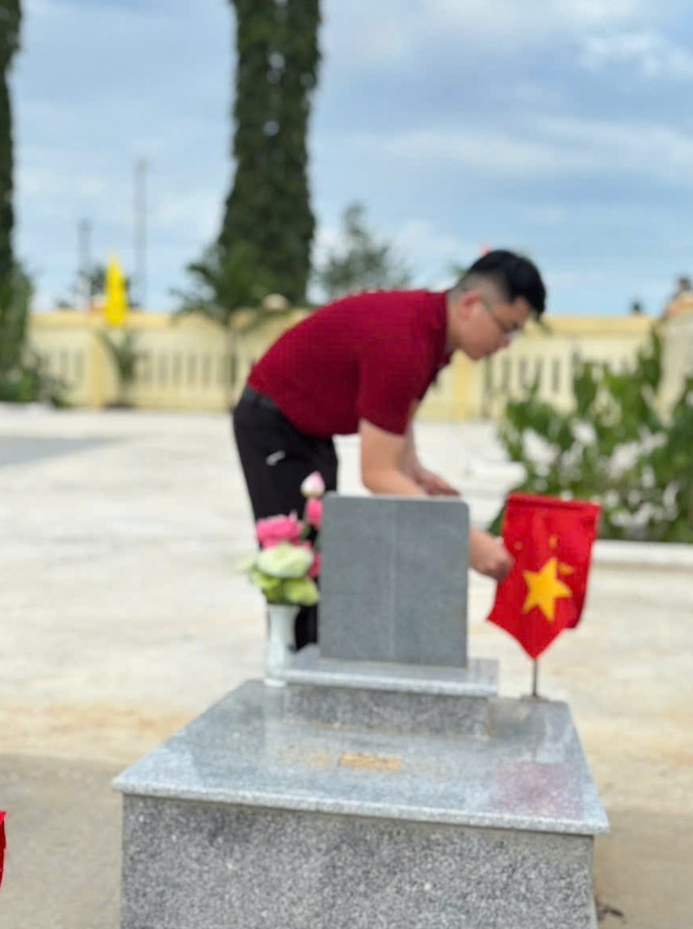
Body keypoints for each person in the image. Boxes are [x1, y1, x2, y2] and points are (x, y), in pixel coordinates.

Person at [232, 251, 545, 647]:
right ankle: (291, 668)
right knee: (296, 565)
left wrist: (414, 472)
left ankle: (310, 661)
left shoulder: (433, 332)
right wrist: (463, 539)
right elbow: (377, 474)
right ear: (471, 304)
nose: (505, 344)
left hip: (311, 432)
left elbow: (398, 415)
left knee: (323, 559)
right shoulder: (405, 340)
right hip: (273, 425)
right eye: (507, 328)